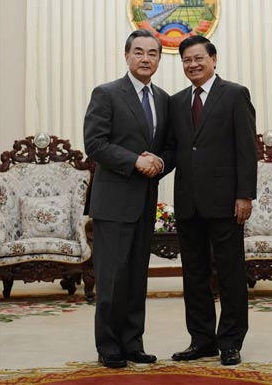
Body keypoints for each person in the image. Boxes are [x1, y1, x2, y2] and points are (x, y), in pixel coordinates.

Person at [161, 35, 257, 366]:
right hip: (188, 202)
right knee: (194, 274)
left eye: (199, 58)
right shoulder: (175, 102)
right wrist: (152, 163)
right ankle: (201, 340)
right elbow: (175, 149)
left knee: (230, 273)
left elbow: (247, 149)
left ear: (213, 59)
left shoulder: (234, 94)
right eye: (186, 60)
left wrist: (244, 194)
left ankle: (230, 340)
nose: (193, 65)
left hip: (227, 201)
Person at [84, 30, 168, 368]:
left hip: (145, 202)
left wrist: (160, 162)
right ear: (126, 56)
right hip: (113, 203)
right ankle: (109, 346)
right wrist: (135, 161)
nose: (145, 58)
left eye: (152, 53)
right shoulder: (106, 94)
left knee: (136, 278)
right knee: (112, 279)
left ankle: (133, 342)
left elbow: (164, 147)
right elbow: (95, 143)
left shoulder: (162, 98)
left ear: (160, 59)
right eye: (138, 52)